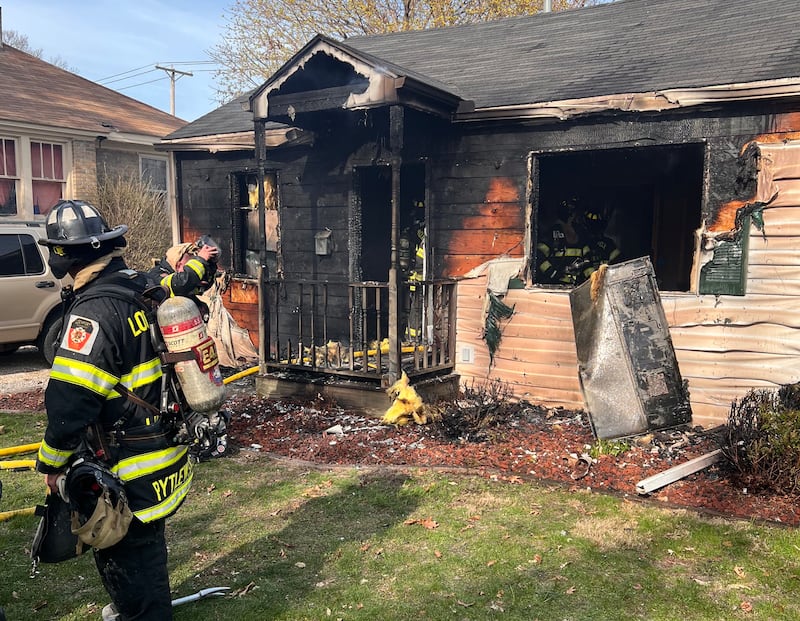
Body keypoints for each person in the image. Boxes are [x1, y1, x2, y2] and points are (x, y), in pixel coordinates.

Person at [35, 199, 192, 621]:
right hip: (162, 455)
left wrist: (51, 464)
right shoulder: (135, 286)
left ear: (63, 254)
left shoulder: (93, 312)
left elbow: (70, 403)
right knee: (147, 551)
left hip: (128, 471)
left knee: (130, 563)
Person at [148, 237, 219, 318]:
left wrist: (209, 265)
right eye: (189, 265)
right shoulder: (157, 275)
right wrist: (200, 260)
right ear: (178, 265)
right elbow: (178, 286)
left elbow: (192, 289)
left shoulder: (181, 277)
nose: (190, 269)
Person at [536, 197, 591, 286]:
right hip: (555, 286)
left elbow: (587, 261)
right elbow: (538, 256)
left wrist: (593, 279)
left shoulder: (580, 233)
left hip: (577, 286)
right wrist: (553, 273)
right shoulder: (552, 234)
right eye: (575, 213)